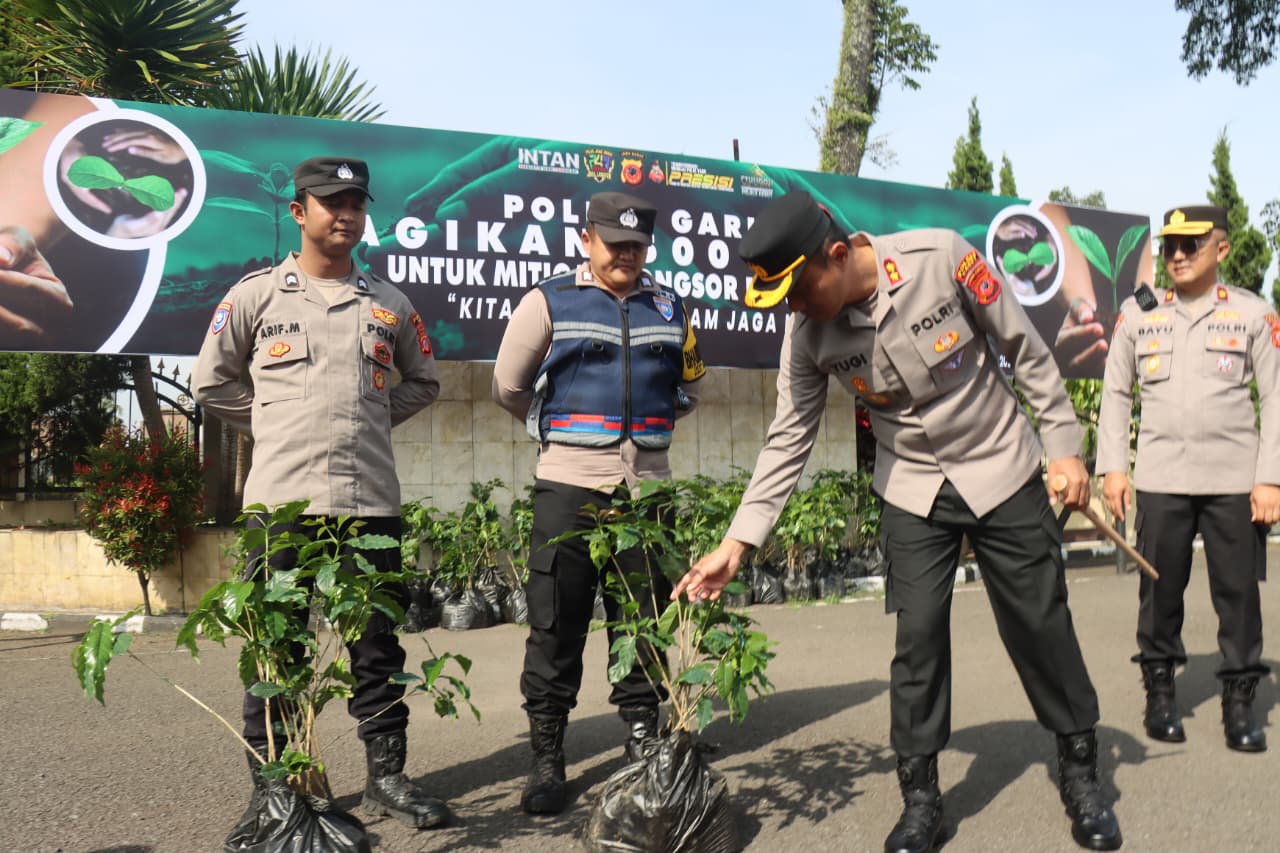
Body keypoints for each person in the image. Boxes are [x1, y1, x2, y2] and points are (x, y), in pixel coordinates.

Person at [673, 191, 1122, 853]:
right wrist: (738, 540)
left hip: (1002, 466)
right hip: (913, 489)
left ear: (833, 256)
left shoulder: (941, 257)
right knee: (917, 640)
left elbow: (1025, 348)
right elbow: (789, 433)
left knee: (1040, 621)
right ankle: (921, 799)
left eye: (797, 290)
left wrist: (1063, 446)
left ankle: (1081, 772)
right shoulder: (806, 330)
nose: (792, 308)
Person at [192, 156, 450, 830]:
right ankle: (274, 788)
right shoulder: (255, 297)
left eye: (356, 203)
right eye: (330, 201)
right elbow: (212, 384)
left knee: (377, 645)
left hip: (370, 506)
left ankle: (389, 775)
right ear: (298, 211)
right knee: (276, 645)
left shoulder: (389, 305)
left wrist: (369, 417)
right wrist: (276, 423)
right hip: (281, 506)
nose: (346, 214)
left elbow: (423, 381)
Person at [492, 190, 705, 815]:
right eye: (616, 244)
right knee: (556, 623)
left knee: (640, 620)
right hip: (570, 488)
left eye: (638, 246)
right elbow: (508, 385)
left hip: (647, 491)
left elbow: (692, 384)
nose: (627, 256)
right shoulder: (547, 300)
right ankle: (547, 757)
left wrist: (653, 433)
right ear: (587, 240)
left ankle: (642, 744)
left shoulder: (670, 304)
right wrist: (556, 432)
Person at [1098, 204, 1277, 753]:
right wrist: (1112, 469)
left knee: (1238, 595)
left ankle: (1241, 702)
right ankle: (1159, 693)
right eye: (1169, 246)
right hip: (1161, 478)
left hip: (1233, 479)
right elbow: (1116, 393)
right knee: (1159, 592)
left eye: (1189, 246)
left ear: (1220, 250)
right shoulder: (1138, 314)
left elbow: (1274, 398)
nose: (1175, 256)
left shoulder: (1251, 314)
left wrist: (1270, 478)